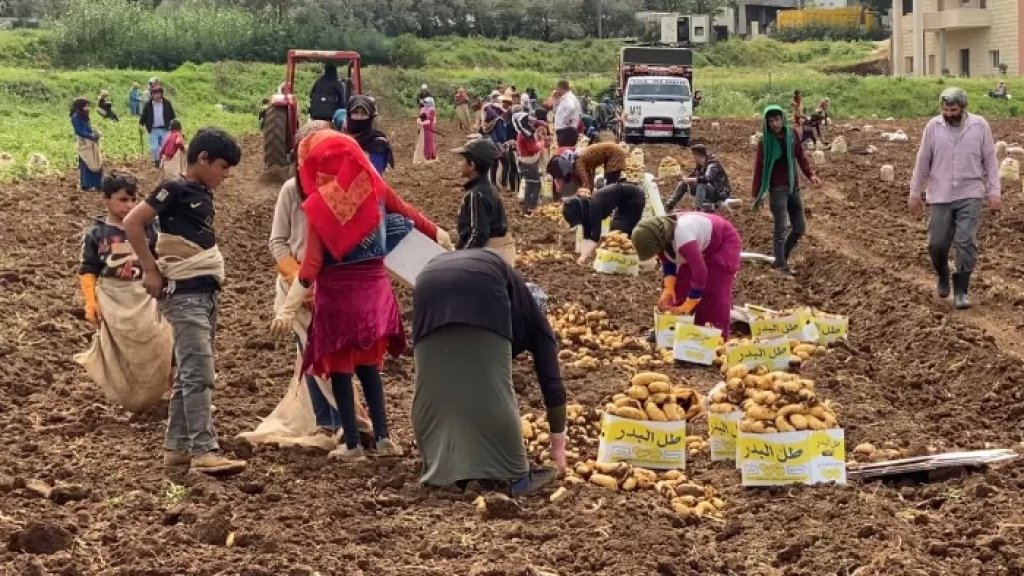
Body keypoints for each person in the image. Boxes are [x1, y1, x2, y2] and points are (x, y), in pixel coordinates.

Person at [269, 131, 453, 462]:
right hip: (375, 295)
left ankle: (351, 445)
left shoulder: (319, 206)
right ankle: (384, 439)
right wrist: (437, 232)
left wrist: (287, 308)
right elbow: (407, 212)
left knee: (340, 370)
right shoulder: (374, 186)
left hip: (339, 299)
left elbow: (311, 265)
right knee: (369, 368)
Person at [123, 128, 246, 476]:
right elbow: (134, 222)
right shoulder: (174, 187)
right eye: (223, 167)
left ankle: (176, 448)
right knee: (199, 373)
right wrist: (150, 269)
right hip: (186, 294)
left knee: (190, 374)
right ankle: (205, 451)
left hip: (204, 294)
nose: (226, 175)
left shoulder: (202, 191)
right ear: (203, 159)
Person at [249, 121, 373, 451]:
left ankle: (352, 423)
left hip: (338, 287)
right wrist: (298, 284)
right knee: (314, 357)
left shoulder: (348, 190)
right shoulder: (292, 190)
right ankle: (325, 423)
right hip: (298, 288)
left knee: (348, 359)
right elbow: (278, 243)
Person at [412, 249, 565, 494]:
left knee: (434, 387)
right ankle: (519, 476)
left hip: (427, 283)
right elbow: (553, 385)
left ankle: (442, 470)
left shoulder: (516, 299)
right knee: (495, 390)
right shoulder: (536, 322)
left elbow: (464, 384)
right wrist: (558, 446)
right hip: (482, 287)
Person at [76, 172, 171, 414]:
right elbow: (88, 268)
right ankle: (131, 396)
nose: (128, 206)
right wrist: (90, 302)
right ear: (106, 199)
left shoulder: (149, 226)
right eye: (122, 200)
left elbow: (162, 256)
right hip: (114, 298)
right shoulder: (97, 233)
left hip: (145, 295)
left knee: (160, 342)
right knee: (123, 350)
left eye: (133, 200)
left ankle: (168, 389)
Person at [909, 87, 1000, 309]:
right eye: (946, 109)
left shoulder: (980, 126)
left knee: (965, 241)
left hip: (970, 192)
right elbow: (922, 161)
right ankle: (942, 273)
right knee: (936, 244)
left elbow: (990, 160)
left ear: (963, 108)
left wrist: (994, 191)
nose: (949, 114)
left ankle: (961, 289)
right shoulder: (933, 127)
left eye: (954, 109)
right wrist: (915, 192)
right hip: (940, 194)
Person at [631, 213, 742, 338]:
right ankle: (672, 331)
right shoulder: (660, 238)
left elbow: (700, 271)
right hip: (697, 246)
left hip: (722, 243)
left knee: (713, 291)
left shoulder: (683, 236)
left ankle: (715, 337)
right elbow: (668, 261)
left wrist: (691, 302)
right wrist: (669, 287)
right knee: (682, 286)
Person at [751, 105, 820, 279]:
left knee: (799, 227)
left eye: (777, 119)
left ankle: (781, 259)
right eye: (771, 121)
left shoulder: (792, 135)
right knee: (781, 227)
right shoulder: (764, 141)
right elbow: (759, 168)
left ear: (783, 118)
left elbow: (801, 157)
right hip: (777, 188)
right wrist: (757, 194)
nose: (775, 124)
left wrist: (811, 175)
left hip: (792, 186)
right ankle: (781, 267)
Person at [451, 138, 514, 266]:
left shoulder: (476, 194)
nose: (460, 164)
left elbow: (479, 233)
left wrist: (461, 258)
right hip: (500, 253)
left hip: (490, 255)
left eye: (463, 160)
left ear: (472, 165)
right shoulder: (488, 188)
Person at [564, 182, 646, 265]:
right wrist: (583, 256)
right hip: (624, 201)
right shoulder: (587, 208)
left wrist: (583, 257)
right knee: (615, 233)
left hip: (635, 198)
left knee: (619, 233)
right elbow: (587, 235)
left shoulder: (594, 208)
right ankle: (621, 262)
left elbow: (595, 237)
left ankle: (636, 261)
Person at [547, 141, 628, 198]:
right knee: (610, 184)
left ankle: (612, 209)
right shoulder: (580, 159)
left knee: (611, 186)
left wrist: (583, 198)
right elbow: (590, 178)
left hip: (615, 154)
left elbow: (585, 182)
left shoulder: (578, 162)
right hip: (614, 151)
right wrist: (590, 193)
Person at [666, 145, 732, 212]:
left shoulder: (712, 164)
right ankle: (669, 205)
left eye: (693, 155)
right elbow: (692, 176)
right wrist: (683, 178)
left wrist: (689, 179)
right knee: (684, 184)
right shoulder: (700, 165)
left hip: (718, 193)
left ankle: (697, 209)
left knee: (701, 185)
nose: (693, 158)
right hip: (708, 190)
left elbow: (706, 178)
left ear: (697, 155)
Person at [344, 96, 394, 176]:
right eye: (355, 112)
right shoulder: (343, 140)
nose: (359, 117)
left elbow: (375, 175)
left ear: (370, 117)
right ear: (349, 115)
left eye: (364, 114)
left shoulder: (377, 143)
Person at [513, 112, 547, 216]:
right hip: (528, 162)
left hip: (525, 162)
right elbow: (533, 149)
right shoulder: (525, 135)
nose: (531, 123)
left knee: (530, 184)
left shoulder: (522, 133)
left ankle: (527, 209)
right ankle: (531, 208)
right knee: (535, 184)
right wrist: (542, 142)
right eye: (528, 121)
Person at [139, 84, 177, 168]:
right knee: (154, 148)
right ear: (152, 95)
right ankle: (157, 161)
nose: (157, 95)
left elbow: (172, 116)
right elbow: (144, 116)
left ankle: (165, 163)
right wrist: (141, 124)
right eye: (154, 94)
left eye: (158, 93)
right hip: (153, 129)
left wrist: (174, 127)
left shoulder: (167, 103)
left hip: (165, 128)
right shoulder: (148, 105)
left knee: (165, 147)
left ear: (161, 94)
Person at [71, 97, 103, 192]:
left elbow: (88, 127)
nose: (87, 108)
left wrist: (95, 133)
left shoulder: (84, 115)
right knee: (86, 163)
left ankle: (98, 184)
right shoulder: (75, 117)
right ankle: (86, 185)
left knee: (96, 161)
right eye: (85, 106)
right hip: (83, 142)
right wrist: (90, 136)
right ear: (80, 107)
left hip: (90, 141)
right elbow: (78, 131)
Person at [553, 80, 582, 147]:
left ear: (560, 88)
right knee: (566, 151)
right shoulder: (567, 98)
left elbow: (570, 107)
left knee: (564, 151)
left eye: (557, 88)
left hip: (565, 131)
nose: (557, 90)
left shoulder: (569, 98)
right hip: (566, 130)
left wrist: (564, 120)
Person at [414, 96, 437, 165]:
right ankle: (424, 155)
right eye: (425, 102)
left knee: (429, 142)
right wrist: (419, 122)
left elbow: (430, 120)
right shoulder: (423, 109)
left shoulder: (432, 110)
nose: (425, 104)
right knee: (422, 142)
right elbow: (420, 117)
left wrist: (422, 123)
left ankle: (429, 156)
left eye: (426, 102)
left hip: (429, 128)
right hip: (423, 129)